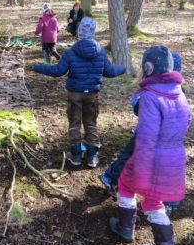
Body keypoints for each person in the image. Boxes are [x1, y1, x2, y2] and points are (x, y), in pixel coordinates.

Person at [109, 46, 191, 245]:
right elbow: (186, 123)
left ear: (148, 68)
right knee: (154, 199)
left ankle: (125, 227)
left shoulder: (150, 96)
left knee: (126, 184)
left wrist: (142, 174)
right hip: (174, 158)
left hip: (151, 158)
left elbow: (145, 138)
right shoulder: (179, 93)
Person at [33, 17, 126, 168]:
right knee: (91, 122)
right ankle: (92, 156)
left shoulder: (72, 52)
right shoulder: (100, 52)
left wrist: (38, 67)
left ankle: (76, 154)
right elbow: (110, 71)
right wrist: (123, 67)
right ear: (93, 33)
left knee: (74, 122)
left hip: (74, 93)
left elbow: (57, 71)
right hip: (92, 94)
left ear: (79, 33)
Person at [100, 52, 184, 216]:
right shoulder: (180, 92)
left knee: (130, 157)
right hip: (170, 141)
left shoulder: (150, 91)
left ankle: (112, 180)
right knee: (168, 168)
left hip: (147, 138)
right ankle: (169, 202)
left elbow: (139, 110)